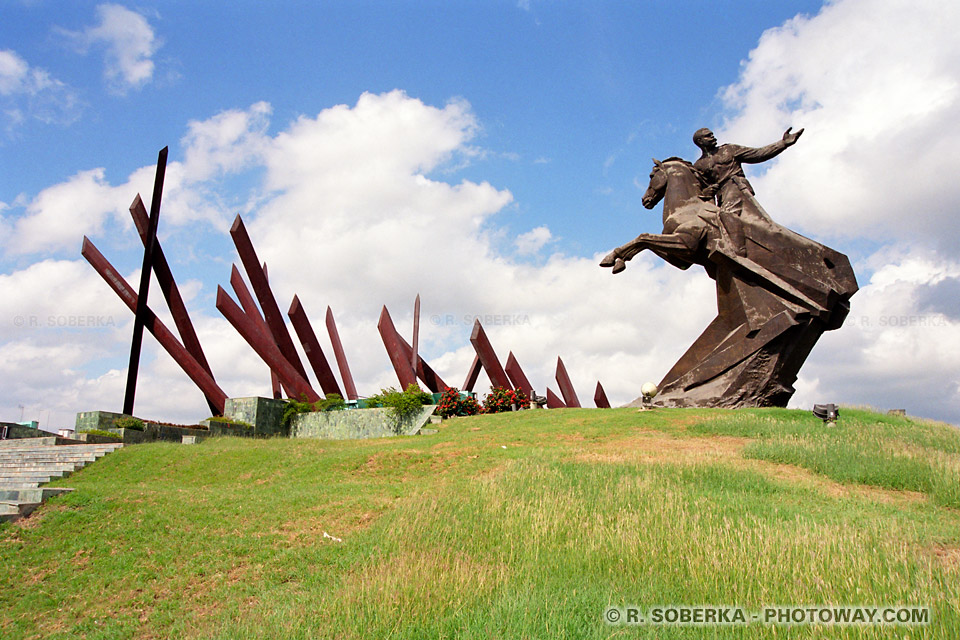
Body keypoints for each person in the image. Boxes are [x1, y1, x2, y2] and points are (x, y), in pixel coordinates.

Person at [692, 126, 803, 255]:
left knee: (727, 214)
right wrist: (708, 191)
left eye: (712, 134)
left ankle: (739, 250)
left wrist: (783, 143)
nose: (713, 137)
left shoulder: (729, 149)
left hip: (736, 186)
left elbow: (757, 154)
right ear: (700, 141)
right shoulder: (699, 165)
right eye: (708, 136)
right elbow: (701, 190)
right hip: (721, 195)